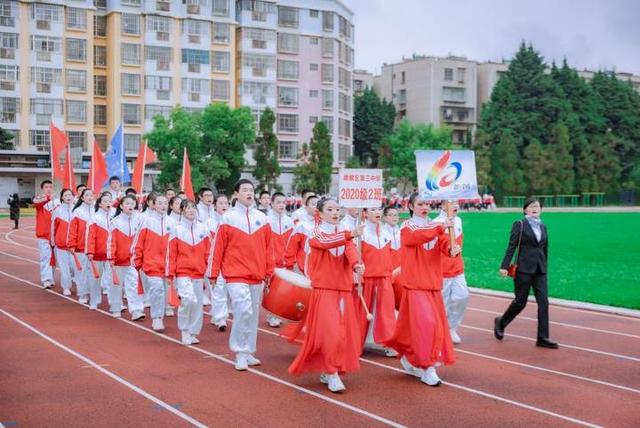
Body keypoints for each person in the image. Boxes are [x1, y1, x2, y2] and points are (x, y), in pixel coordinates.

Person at [287, 197, 364, 393]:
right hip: (324, 289)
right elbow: (325, 242)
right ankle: (331, 372)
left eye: (337, 209)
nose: (335, 212)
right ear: (320, 214)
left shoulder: (344, 234)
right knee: (331, 332)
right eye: (330, 209)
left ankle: (331, 367)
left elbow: (350, 250)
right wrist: (350, 234)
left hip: (344, 289)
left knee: (343, 333)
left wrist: (357, 265)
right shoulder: (316, 233)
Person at [383, 193, 459, 387]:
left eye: (426, 203)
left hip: (432, 283)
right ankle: (427, 367)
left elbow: (443, 245)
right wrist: (441, 226)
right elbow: (415, 238)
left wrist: (451, 249)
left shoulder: (435, 226)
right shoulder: (407, 226)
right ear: (410, 206)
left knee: (414, 326)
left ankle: (408, 355)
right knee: (427, 323)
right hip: (415, 283)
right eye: (420, 204)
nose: (424, 207)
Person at [207, 179, 273, 371]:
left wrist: (269, 272)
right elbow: (217, 248)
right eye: (244, 190)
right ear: (236, 194)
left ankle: (249, 351)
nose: (249, 193)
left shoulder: (262, 218)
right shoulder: (227, 218)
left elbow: (269, 250)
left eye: (251, 190)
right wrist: (213, 273)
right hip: (235, 274)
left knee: (252, 315)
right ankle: (239, 352)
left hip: (257, 274)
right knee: (243, 310)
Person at [496, 197, 557, 349]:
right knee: (520, 302)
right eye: (531, 206)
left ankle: (543, 337)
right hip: (523, 269)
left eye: (537, 206)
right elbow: (512, 246)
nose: (535, 208)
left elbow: (544, 248)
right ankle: (501, 321)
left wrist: (545, 266)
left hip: (540, 270)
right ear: (525, 210)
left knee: (544, 302)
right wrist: (504, 266)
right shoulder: (520, 224)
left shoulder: (543, 226)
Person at [169, 199, 211, 345]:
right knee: (188, 300)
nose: (191, 210)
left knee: (197, 304)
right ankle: (184, 330)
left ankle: (193, 332)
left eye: (193, 207)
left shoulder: (203, 228)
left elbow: (208, 252)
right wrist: (171, 273)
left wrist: (208, 269)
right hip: (183, 272)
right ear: (182, 211)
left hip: (199, 273)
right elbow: (171, 253)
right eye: (188, 208)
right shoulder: (177, 229)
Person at [357, 206, 397, 356]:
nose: (377, 212)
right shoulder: (361, 232)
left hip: (384, 278)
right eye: (373, 210)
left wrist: (391, 274)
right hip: (367, 279)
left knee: (387, 313)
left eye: (379, 209)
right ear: (365, 213)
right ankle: (356, 343)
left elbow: (391, 255)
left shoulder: (387, 231)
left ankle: (390, 343)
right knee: (362, 313)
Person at [133, 194, 172, 332]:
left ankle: (163, 312)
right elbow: (138, 243)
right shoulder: (147, 221)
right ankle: (157, 318)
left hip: (168, 265)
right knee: (157, 289)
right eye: (160, 203)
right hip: (151, 263)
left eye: (165, 203)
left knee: (165, 291)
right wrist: (138, 261)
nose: (163, 206)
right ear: (153, 205)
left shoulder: (172, 223)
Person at [434, 201, 468, 345]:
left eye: (456, 203)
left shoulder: (458, 220)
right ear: (443, 205)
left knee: (462, 296)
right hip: (442, 270)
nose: (455, 206)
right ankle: (439, 331)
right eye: (451, 203)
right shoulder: (436, 223)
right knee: (442, 303)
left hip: (457, 268)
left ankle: (451, 327)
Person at [111, 195, 145, 321]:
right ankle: (115, 308)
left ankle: (136, 310)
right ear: (121, 206)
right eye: (127, 203)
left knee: (133, 285)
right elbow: (111, 241)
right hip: (118, 260)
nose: (130, 206)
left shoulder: (138, 220)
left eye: (132, 203)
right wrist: (111, 257)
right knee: (117, 286)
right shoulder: (115, 222)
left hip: (132, 260)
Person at [265, 192, 295, 328]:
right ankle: (271, 315)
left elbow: (292, 242)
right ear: (272, 203)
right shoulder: (267, 220)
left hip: (285, 261)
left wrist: (289, 258)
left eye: (284, 202)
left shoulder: (289, 221)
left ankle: (276, 314)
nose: (282, 205)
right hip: (272, 260)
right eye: (278, 202)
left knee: (282, 290)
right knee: (271, 288)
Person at [87, 192, 118, 316]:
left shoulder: (115, 217)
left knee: (112, 279)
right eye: (105, 201)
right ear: (99, 204)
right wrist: (90, 251)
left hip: (110, 254)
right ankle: (94, 300)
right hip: (97, 253)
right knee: (96, 279)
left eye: (109, 201)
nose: (108, 203)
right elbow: (90, 237)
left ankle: (113, 302)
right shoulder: (94, 218)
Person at [69, 188, 95, 307]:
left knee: (93, 272)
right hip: (80, 247)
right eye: (87, 195)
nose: (90, 197)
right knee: (82, 272)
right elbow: (72, 230)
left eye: (92, 195)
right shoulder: (78, 212)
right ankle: (83, 294)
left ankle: (92, 292)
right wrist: (72, 244)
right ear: (82, 198)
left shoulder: (96, 210)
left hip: (94, 249)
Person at [209, 193, 231, 331]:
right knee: (218, 289)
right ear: (214, 206)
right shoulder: (209, 223)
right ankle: (220, 318)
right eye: (221, 203)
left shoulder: (231, 220)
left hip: (231, 261)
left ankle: (220, 314)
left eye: (226, 203)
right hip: (216, 260)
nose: (224, 206)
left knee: (229, 291)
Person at [33, 180, 59, 289]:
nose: (49, 189)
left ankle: (51, 278)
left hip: (56, 235)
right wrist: (48, 198)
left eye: (50, 187)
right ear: (42, 188)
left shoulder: (57, 202)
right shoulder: (40, 199)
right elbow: (36, 203)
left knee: (54, 259)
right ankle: (46, 279)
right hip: (43, 235)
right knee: (46, 257)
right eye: (46, 187)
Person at [284, 195, 318, 272]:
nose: (316, 207)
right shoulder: (301, 226)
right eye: (313, 204)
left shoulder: (324, 224)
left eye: (318, 204)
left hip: (320, 270)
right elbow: (291, 247)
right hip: (304, 269)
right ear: (306, 207)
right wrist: (289, 265)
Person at [51, 188, 75, 296]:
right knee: (64, 267)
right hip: (61, 245)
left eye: (70, 195)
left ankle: (79, 283)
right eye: (66, 195)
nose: (68, 197)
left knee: (73, 266)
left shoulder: (76, 210)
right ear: (62, 198)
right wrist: (53, 240)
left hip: (75, 245)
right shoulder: (57, 211)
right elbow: (53, 227)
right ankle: (66, 287)